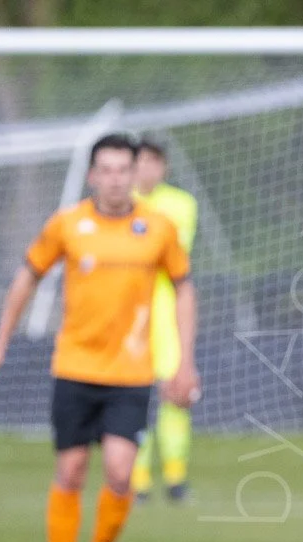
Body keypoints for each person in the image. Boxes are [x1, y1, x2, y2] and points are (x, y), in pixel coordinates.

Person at [0, 133, 199, 542]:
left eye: (123, 170)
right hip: (74, 367)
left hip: (131, 372)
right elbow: (27, 277)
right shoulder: (68, 225)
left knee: (119, 474)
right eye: (106, 169)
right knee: (71, 470)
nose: (115, 179)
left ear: (135, 175)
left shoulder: (158, 228)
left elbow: (183, 289)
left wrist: (185, 361)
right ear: (93, 174)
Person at [130, 137, 200, 504]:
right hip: (130, 312)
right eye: (140, 162)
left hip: (169, 308)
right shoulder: (119, 204)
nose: (147, 169)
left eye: (154, 162)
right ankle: (137, 480)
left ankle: (176, 477)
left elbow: (168, 257)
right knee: (134, 396)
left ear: (165, 168)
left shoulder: (182, 204)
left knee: (177, 392)